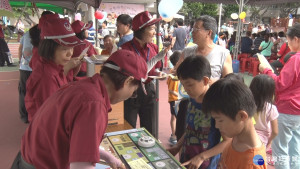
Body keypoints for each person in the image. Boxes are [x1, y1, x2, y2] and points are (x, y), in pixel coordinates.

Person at [11, 49, 147, 169]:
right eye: (134, 91)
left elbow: (79, 141)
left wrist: (108, 157)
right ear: (127, 81)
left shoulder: (84, 86)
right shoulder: (93, 104)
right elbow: (81, 166)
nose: (131, 95)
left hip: (26, 160)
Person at [168, 55, 231, 169]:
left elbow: (228, 141)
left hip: (206, 164)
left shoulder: (216, 105)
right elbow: (190, 129)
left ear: (205, 80)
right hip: (188, 160)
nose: (186, 89)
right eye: (183, 85)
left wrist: (202, 157)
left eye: (190, 85)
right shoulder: (192, 98)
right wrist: (177, 146)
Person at [121, 11, 170, 135]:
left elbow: (155, 69)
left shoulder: (153, 47)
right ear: (141, 30)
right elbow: (131, 73)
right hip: (131, 91)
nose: (155, 32)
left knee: (150, 130)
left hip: (149, 90)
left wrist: (159, 74)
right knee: (128, 128)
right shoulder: (126, 48)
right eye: (152, 28)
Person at [24, 18, 83, 122]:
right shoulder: (46, 77)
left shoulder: (55, 67)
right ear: (49, 48)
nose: (70, 54)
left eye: (72, 48)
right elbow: (51, 115)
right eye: (64, 49)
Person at [259, 23, 300, 169]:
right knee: (295, 147)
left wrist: (266, 71)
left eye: (289, 41)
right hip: (297, 112)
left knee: (281, 148)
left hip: (288, 108)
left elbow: (280, 84)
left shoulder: (296, 59)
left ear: (296, 39)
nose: (288, 44)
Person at [202, 78, 267, 169]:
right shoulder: (235, 139)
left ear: (241, 116)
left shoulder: (252, 163)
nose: (216, 125)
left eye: (220, 120)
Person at [174, 15, 233, 84]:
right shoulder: (187, 51)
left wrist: (211, 82)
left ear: (209, 33)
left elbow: (229, 82)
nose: (192, 32)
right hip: (188, 94)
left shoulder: (223, 54)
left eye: (196, 29)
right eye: (193, 29)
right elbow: (176, 72)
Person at [250, 74, 279, 151]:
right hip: (262, 140)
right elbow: (275, 131)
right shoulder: (271, 108)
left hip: (246, 134)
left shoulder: (246, 104)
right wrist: (270, 141)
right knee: (258, 161)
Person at [18, 28, 33, 123]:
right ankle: (33, 113)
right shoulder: (44, 33)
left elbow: (20, 48)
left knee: (23, 91)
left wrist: (20, 61)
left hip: (24, 67)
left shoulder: (27, 34)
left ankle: (24, 115)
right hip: (37, 68)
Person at [167, 51, 181, 145]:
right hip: (175, 99)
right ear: (177, 63)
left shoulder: (174, 72)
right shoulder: (174, 75)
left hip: (175, 98)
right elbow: (171, 90)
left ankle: (174, 134)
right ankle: (174, 135)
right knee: (175, 117)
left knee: (175, 117)